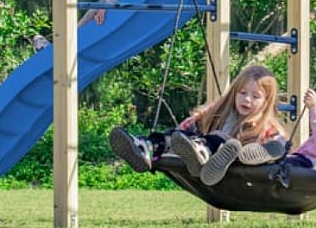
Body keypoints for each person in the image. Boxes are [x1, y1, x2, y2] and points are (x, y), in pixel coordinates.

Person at [109, 64, 288, 186]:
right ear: (234, 93)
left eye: (255, 96)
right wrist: (178, 136)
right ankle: (146, 148)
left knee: (221, 141)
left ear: (266, 102)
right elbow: (190, 125)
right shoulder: (221, 110)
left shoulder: (265, 125)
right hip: (201, 148)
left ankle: (206, 155)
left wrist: (278, 147)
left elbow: (278, 144)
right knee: (174, 136)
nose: (247, 99)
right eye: (242, 93)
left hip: (225, 159)